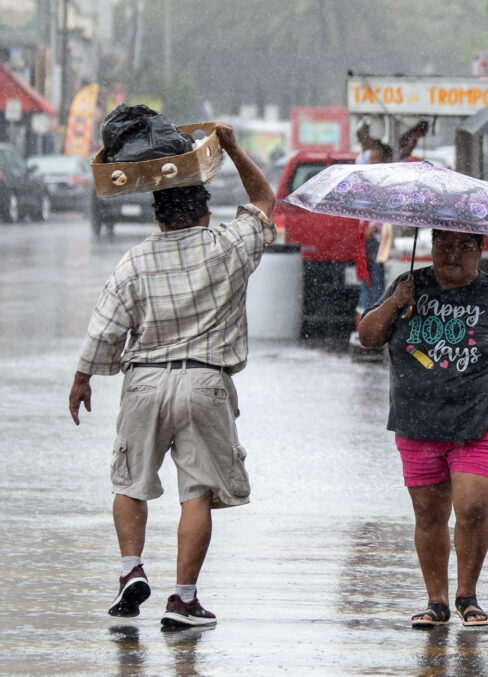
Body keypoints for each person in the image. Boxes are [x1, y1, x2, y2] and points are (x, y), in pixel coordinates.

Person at [67, 121, 277, 628]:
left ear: (158, 217)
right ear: (204, 211)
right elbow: (266, 201)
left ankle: (130, 568)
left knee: (131, 482)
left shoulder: (134, 261)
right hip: (205, 383)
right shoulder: (227, 246)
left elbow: (104, 329)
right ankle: (183, 599)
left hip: (144, 382)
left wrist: (82, 379)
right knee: (197, 493)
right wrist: (228, 145)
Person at [358, 229, 488, 629]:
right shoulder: (409, 286)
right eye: (443, 245)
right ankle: (436, 601)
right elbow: (368, 337)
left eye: (464, 247)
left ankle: (467, 594)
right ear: (431, 246)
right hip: (417, 422)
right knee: (428, 515)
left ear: (482, 249)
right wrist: (396, 302)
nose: (452, 255)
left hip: (479, 422)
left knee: (471, 507)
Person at [356, 142, 394, 316]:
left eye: (376, 159)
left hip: (377, 239)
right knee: (367, 280)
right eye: (371, 159)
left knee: (376, 280)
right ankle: (366, 316)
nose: (373, 163)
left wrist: (374, 227)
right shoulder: (369, 181)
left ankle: (373, 315)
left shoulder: (387, 183)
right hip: (365, 238)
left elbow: (385, 209)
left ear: (387, 160)